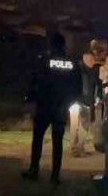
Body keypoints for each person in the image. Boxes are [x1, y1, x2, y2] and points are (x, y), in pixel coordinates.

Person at [22, 30, 80, 184]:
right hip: (61, 108)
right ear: (64, 45)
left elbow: (35, 81)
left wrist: (31, 99)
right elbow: (77, 87)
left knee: (38, 139)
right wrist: (69, 103)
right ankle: (55, 175)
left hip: (45, 105)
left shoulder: (45, 61)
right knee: (57, 142)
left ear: (52, 45)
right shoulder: (72, 63)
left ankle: (34, 170)